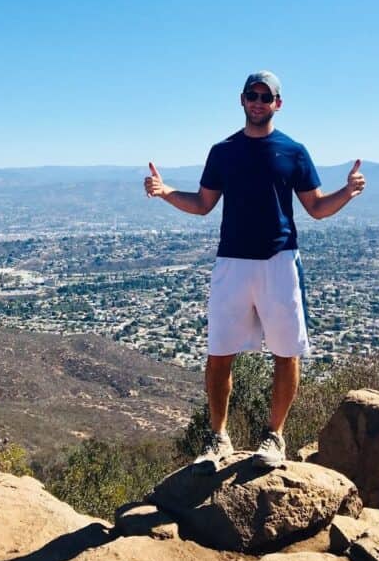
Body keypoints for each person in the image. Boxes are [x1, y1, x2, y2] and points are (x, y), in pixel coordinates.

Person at [144, 70, 365, 473]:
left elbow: (315, 208)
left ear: (278, 103)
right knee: (218, 354)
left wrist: (347, 192)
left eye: (266, 96)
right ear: (242, 100)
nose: (259, 101)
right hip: (231, 262)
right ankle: (218, 437)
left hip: (280, 261)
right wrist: (165, 193)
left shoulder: (293, 151)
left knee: (286, 352)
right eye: (252, 95)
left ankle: (274, 435)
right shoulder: (223, 151)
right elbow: (202, 203)